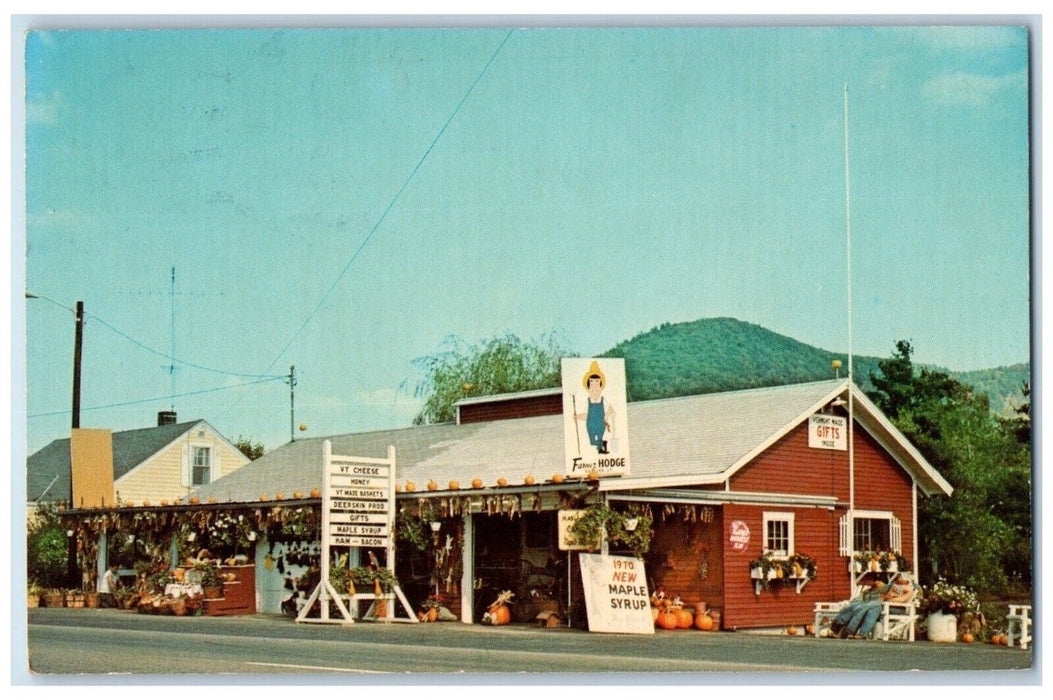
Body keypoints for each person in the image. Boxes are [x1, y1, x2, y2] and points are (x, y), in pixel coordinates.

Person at [832, 575, 916, 638]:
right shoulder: (894, 585)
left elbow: (901, 600)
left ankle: (848, 630)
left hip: (895, 608)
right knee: (858, 606)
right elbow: (883, 590)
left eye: (901, 577)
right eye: (899, 577)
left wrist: (890, 599)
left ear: (907, 580)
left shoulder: (909, 589)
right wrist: (878, 588)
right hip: (882, 603)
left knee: (867, 607)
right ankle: (840, 625)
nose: (899, 578)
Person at [574, 360, 616, 454]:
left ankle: (601, 447)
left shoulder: (603, 400)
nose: (595, 388)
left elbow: (611, 409)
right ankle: (602, 445)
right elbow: (585, 415)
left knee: (600, 439)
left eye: (597, 384)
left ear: (601, 387)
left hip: (601, 425)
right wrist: (578, 417)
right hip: (590, 426)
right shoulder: (587, 402)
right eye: (592, 385)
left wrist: (607, 415)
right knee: (592, 442)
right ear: (588, 388)